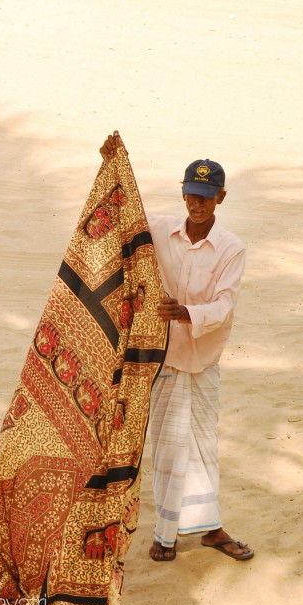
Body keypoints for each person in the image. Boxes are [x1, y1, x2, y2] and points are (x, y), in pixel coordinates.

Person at [100, 131, 254, 563]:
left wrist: (186, 313)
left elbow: (224, 306)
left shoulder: (231, 248)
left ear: (220, 197)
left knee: (204, 445)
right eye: (191, 194)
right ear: (183, 193)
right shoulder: (162, 229)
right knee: (168, 446)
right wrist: (113, 170)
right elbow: (123, 222)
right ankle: (166, 535)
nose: (196, 203)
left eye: (205, 196)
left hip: (202, 360)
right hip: (163, 357)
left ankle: (210, 528)